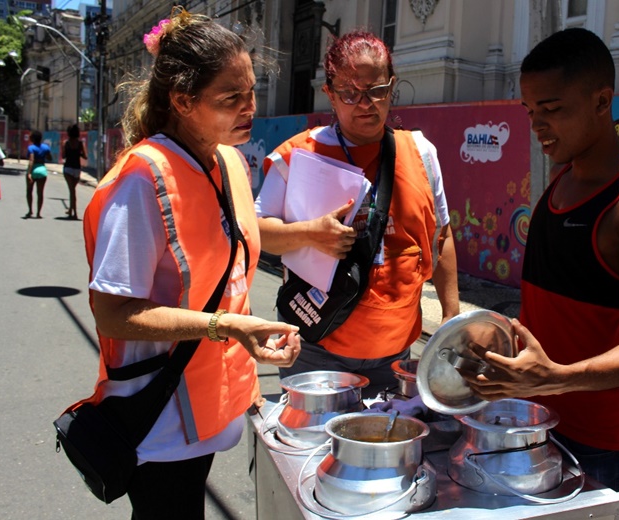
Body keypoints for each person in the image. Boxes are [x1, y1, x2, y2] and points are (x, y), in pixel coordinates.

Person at [81, 8, 301, 518]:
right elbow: (112, 312)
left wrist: (246, 371)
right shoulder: (141, 181)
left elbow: (228, 274)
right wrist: (226, 327)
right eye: (231, 98)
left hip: (210, 404)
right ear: (182, 101)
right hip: (158, 417)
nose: (250, 108)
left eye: (251, 91)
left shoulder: (229, 161)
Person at [462, 28, 619, 498]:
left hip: (597, 436)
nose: (538, 125)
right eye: (531, 111)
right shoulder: (559, 184)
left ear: (602, 101)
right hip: (529, 416)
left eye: (553, 110)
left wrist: (558, 379)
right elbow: (553, 305)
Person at [255, 29, 460, 397]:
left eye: (376, 90)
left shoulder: (421, 153)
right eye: (349, 93)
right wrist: (310, 233)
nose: (365, 103)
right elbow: (255, 230)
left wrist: (451, 315)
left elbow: (441, 235)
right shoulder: (298, 155)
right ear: (330, 94)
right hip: (317, 349)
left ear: (391, 87)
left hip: (396, 355)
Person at [25, 130, 52, 219]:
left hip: (33, 170)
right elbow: (49, 158)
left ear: (32, 138)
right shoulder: (46, 147)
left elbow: (31, 160)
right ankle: (38, 213)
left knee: (29, 191)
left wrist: (29, 173)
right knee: (40, 193)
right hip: (42, 170)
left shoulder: (31, 148)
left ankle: (30, 210)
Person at [62, 124, 87, 220]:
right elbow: (85, 156)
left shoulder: (66, 143)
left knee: (72, 191)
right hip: (77, 169)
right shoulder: (80, 144)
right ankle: (72, 211)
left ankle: (74, 212)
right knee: (73, 191)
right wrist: (78, 153)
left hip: (68, 168)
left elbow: (63, 156)